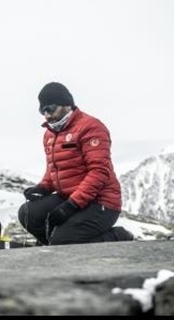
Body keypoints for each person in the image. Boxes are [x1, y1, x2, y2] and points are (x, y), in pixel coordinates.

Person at [18, 82, 131, 245]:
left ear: (66, 105)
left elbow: (99, 171)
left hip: (101, 202)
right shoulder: (50, 134)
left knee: (64, 243)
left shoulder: (91, 127)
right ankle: (53, 247)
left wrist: (71, 206)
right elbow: (55, 169)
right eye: (42, 111)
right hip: (70, 197)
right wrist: (43, 187)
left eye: (50, 109)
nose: (47, 116)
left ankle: (118, 236)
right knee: (28, 213)